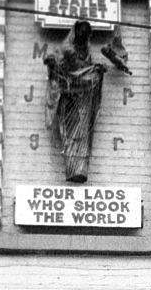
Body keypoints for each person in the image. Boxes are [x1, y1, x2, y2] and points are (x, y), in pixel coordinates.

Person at [44, 20, 130, 183]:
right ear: (76, 34)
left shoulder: (86, 51)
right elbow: (62, 69)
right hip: (69, 97)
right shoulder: (66, 49)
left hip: (83, 97)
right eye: (81, 35)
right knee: (71, 133)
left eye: (86, 36)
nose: (84, 39)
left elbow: (85, 71)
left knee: (83, 132)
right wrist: (54, 65)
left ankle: (79, 170)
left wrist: (96, 69)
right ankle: (72, 169)